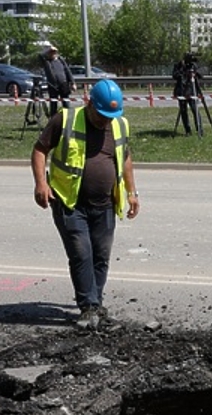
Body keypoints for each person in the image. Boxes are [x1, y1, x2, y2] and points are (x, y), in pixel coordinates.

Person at [30, 79, 141, 331]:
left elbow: (125, 159)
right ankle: (88, 306)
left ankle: (95, 303)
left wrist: (132, 192)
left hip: (105, 204)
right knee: (81, 254)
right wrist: (40, 184)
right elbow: (39, 150)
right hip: (70, 202)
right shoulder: (65, 120)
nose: (105, 121)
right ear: (89, 103)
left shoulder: (119, 124)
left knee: (101, 256)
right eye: (102, 115)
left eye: (110, 116)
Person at [172, 53, 203, 137]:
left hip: (192, 91)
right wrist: (183, 71)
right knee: (183, 111)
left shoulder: (194, 65)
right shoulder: (179, 65)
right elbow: (174, 75)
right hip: (181, 91)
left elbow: (201, 75)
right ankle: (188, 130)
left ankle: (200, 129)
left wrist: (194, 73)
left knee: (195, 110)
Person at [40, 44, 74, 116]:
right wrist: (48, 48)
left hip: (63, 84)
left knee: (66, 104)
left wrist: (72, 83)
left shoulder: (61, 61)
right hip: (52, 86)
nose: (53, 54)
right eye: (51, 52)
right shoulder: (46, 62)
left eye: (54, 52)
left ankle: (68, 121)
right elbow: (40, 55)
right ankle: (53, 121)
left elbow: (68, 71)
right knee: (53, 105)